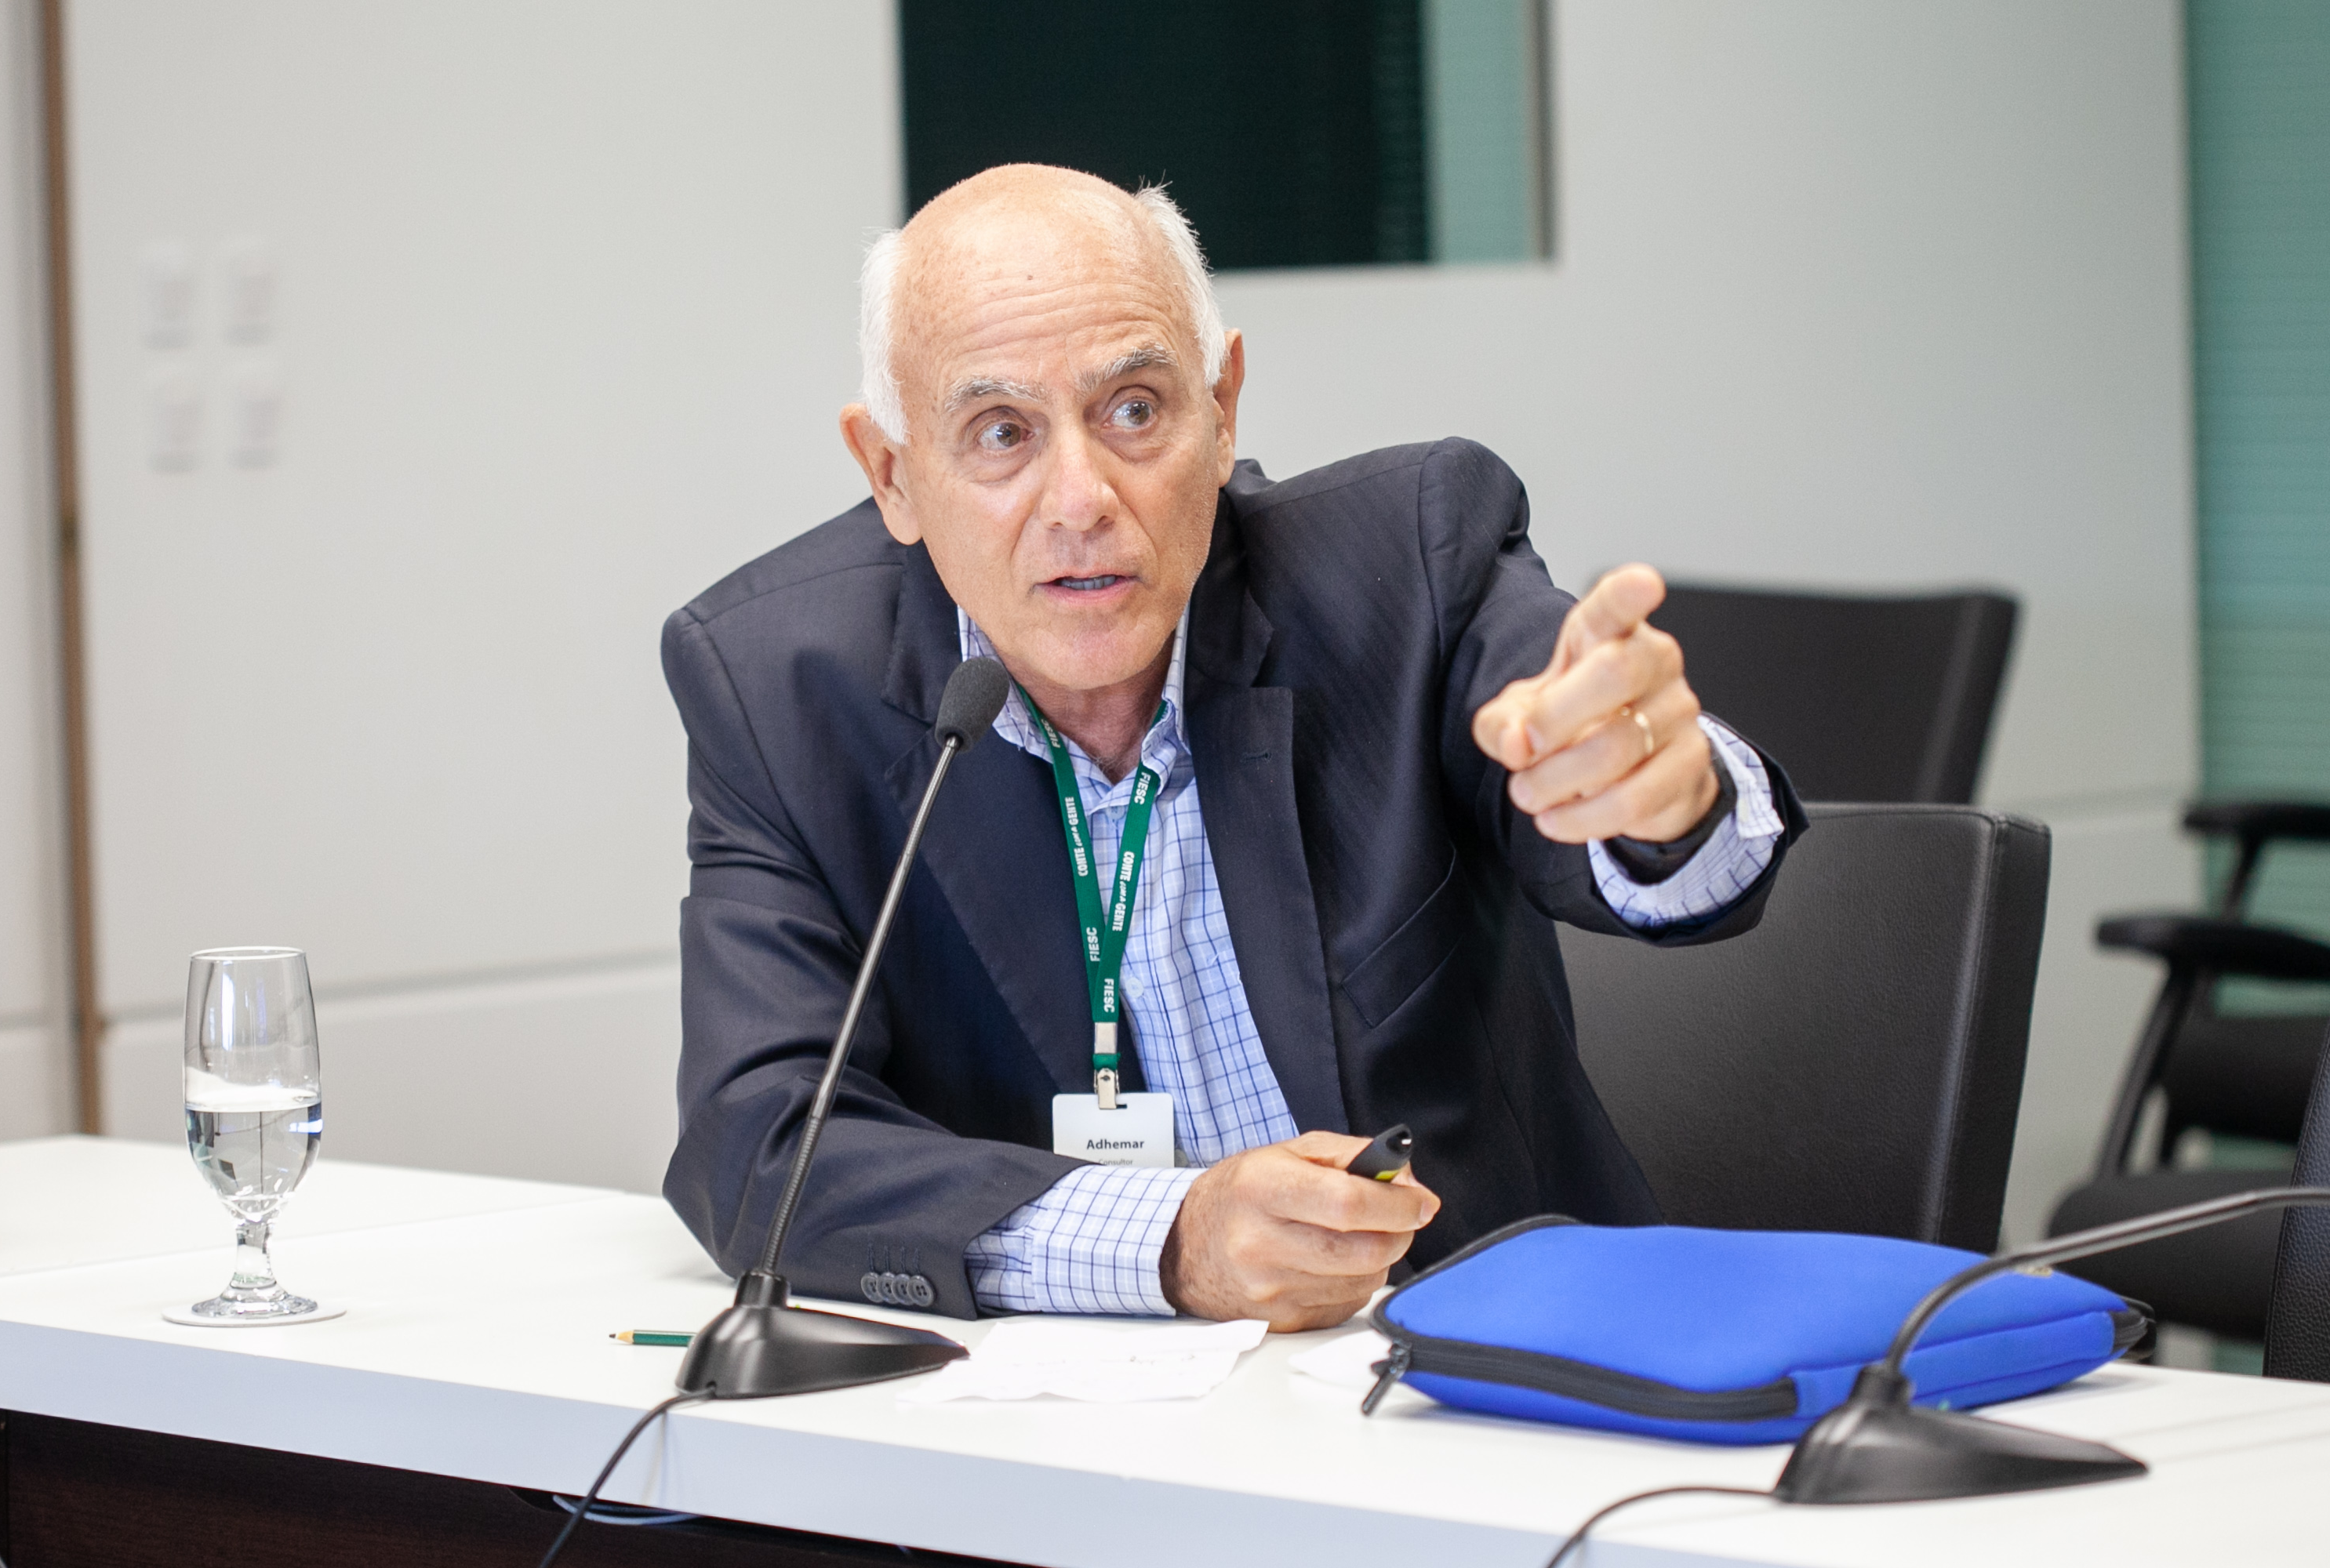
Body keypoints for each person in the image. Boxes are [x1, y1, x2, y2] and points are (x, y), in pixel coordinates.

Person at [661, 165, 1804, 1330]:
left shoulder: (1408, 565)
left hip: (1492, 1360)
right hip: (1084, 1406)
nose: (1081, 499)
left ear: (1222, 411)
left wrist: (1666, 795)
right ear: (893, 474)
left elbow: (1638, 809)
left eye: (1134, 410)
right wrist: (1170, 1244)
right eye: (1001, 434)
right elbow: (757, 1144)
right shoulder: (777, 689)